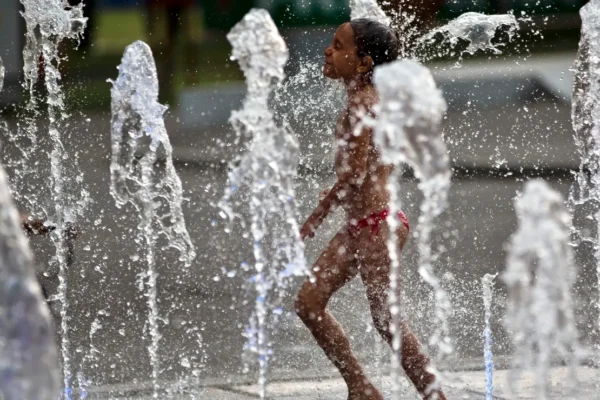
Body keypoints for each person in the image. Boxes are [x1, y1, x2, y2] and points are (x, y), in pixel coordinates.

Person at [296, 19, 447, 400]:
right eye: (331, 43)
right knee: (309, 303)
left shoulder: (364, 103)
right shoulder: (367, 99)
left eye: (339, 46)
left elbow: (357, 174)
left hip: (377, 225)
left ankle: (433, 396)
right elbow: (364, 169)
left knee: (387, 322)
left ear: (363, 63)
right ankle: (360, 387)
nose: (328, 51)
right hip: (366, 223)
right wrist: (335, 196)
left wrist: (317, 215)